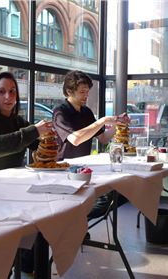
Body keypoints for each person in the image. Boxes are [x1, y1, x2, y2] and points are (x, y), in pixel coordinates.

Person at [52, 70, 129, 220]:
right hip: (63, 170)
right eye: (82, 92)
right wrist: (102, 121)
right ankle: (77, 222)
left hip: (83, 168)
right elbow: (74, 139)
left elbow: (104, 138)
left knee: (118, 194)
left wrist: (118, 125)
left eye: (87, 92)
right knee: (103, 198)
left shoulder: (86, 112)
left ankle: (79, 221)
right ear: (69, 91)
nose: (86, 96)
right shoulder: (60, 112)